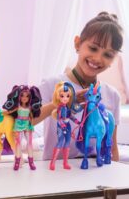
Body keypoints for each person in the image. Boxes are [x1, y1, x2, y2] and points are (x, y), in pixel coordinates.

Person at [33, 12, 123, 162]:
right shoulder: (51, 85)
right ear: (77, 44)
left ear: (113, 59)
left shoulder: (113, 95)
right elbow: (25, 122)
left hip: (97, 176)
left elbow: (112, 147)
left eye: (107, 55)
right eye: (93, 48)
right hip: (56, 174)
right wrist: (57, 104)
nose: (97, 59)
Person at [3, 85, 42, 171]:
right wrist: (1, 113)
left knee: (29, 143)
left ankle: (31, 162)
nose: (24, 98)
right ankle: (17, 161)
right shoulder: (18, 106)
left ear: (30, 97)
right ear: (19, 97)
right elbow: (9, 111)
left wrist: (31, 125)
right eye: (22, 95)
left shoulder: (30, 107)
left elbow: (31, 116)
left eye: (27, 96)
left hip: (27, 124)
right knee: (18, 144)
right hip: (18, 124)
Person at [49, 81, 81, 170]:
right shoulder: (60, 108)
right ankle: (52, 163)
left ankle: (65, 163)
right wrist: (63, 127)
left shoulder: (67, 107)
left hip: (68, 126)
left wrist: (78, 122)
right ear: (58, 97)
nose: (65, 98)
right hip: (61, 127)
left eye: (67, 96)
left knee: (67, 143)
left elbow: (70, 116)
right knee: (60, 142)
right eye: (62, 96)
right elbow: (59, 119)